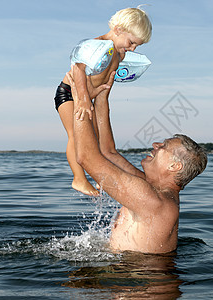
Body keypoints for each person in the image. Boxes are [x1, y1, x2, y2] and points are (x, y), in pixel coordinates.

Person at [65, 72, 207, 254]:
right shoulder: (153, 189)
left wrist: (81, 101)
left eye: (164, 146)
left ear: (174, 166)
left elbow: (86, 157)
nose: (155, 145)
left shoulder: (154, 201)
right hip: (128, 271)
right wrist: (101, 96)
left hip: (135, 275)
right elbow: (107, 152)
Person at [54, 7, 152, 196]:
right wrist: (82, 99)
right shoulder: (95, 45)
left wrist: (97, 99)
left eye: (137, 46)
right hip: (69, 94)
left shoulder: (119, 54)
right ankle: (79, 179)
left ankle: (100, 178)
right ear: (118, 30)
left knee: (95, 142)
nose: (132, 49)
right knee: (75, 135)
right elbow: (78, 69)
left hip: (88, 97)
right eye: (131, 43)